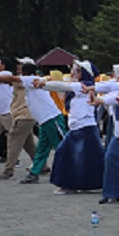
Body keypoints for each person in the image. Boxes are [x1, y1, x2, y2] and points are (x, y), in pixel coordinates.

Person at [42, 61, 104, 194]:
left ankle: (69, 184)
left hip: (85, 127)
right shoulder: (81, 86)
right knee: (82, 157)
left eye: (77, 70)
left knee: (72, 155)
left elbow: (63, 86)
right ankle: (74, 184)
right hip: (79, 127)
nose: (73, 73)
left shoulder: (84, 85)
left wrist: (44, 84)